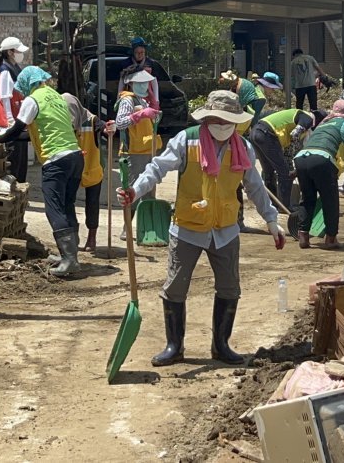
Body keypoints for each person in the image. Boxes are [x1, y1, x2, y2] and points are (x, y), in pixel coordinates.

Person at [118, 90, 287, 367]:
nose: (222, 125)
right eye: (217, 119)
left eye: (228, 120)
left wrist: (271, 220)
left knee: (230, 288)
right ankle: (175, 346)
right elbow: (157, 168)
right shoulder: (187, 140)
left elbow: (254, 186)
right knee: (175, 289)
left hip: (226, 229)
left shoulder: (242, 147)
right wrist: (134, 191)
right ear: (207, 118)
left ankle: (221, 345)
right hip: (188, 227)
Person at [0, 66, 84, 277]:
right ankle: (70, 256)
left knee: (54, 209)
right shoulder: (55, 96)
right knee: (67, 206)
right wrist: (7, 136)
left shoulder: (33, 100)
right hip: (75, 156)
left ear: (27, 84)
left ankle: (70, 261)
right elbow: (36, 131)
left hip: (57, 160)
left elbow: (16, 129)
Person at [294, 100, 344, 250]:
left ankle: (303, 235)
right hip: (321, 159)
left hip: (301, 158)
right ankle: (331, 238)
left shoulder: (323, 123)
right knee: (330, 200)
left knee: (308, 199)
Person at [108, 69, 161, 196]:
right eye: (139, 82)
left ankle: (145, 216)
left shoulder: (143, 100)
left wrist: (153, 105)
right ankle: (129, 215)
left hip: (147, 149)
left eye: (145, 82)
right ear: (131, 83)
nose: (143, 85)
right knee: (132, 193)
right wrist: (139, 115)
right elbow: (120, 123)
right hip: (133, 152)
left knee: (148, 191)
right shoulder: (127, 100)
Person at [249, 107, 317, 205]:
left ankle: (272, 204)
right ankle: (285, 205)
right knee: (284, 174)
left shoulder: (290, 119)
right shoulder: (308, 119)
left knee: (269, 172)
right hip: (266, 134)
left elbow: (288, 153)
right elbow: (295, 134)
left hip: (255, 133)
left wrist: (291, 168)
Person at [64, 93, 104, 253]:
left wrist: (108, 129)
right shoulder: (62, 120)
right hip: (73, 168)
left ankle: (92, 238)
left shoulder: (91, 120)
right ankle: (74, 234)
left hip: (92, 167)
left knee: (92, 203)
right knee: (68, 201)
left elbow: (102, 126)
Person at [0, 36, 31, 182]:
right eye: (18, 51)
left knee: (21, 161)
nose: (20, 54)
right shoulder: (5, 71)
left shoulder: (14, 68)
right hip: (11, 122)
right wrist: (10, 120)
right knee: (14, 162)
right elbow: (5, 97)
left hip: (19, 121)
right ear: (10, 52)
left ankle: (20, 188)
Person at [120, 37, 160, 109]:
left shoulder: (151, 63)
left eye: (142, 52)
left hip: (147, 96)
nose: (140, 54)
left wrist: (156, 99)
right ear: (133, 52)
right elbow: (122, 81)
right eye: (137, 52)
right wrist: (119, 97)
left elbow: (154, 81)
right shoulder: (126, 63)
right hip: (130, 96)